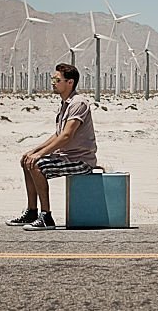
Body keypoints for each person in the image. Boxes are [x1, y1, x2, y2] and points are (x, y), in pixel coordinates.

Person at [6, 63, 97, 230]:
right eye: (52, 79)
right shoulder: (65, 104)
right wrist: (34, 151)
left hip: (80, 160)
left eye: (57, 79)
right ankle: (32, 212)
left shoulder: (78, 103)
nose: (53, 83)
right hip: (66, 157)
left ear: (70, 82)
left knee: (37, 164)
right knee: (26, 160)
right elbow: (58, 134)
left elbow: (66, 135)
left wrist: (40, 156)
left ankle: (46, 216)